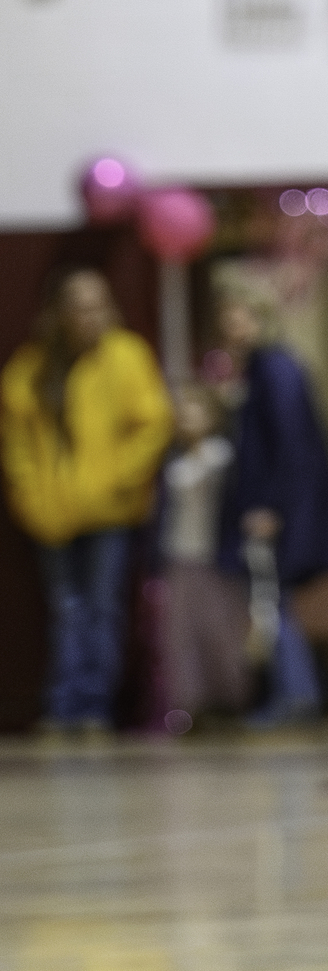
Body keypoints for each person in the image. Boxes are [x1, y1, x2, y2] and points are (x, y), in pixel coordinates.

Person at [1, 268, 173, 733]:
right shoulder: (32, 367)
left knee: (102, 606)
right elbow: (16, 443)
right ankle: (64, 705)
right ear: (59, 312)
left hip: (110, 511)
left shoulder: (126, 356)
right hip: (51, 514)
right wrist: (28, 496)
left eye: (99, 303)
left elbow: (154, 424)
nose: (91, 315)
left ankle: (95, 706)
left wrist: (120, 478)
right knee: (65, 609)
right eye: (80, 304)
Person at [213, 286, 328, 728]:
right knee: (275, 601)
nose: (234, 331)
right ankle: (293, 692)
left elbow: (291, 447)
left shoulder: (276, 372)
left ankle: (295, 695)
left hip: (279, 513)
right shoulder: (260, 373)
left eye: (241, 320)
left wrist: (270, 505)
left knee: (272, 601)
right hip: (280, 509)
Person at [158, 381, 251, 725]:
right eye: (182, 412)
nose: (187, 418)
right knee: (183, 634)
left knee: (221, 630)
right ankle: (192, 703)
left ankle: (230, 700)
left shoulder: (222, 456)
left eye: (195, 411)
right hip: (180, 553)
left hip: (216, 556)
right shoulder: (173, 461)